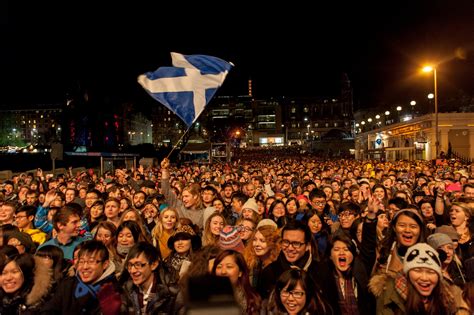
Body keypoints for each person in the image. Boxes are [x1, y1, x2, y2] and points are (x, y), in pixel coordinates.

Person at [374, 243, 470, 314]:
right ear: (407, 273)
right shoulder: (389, 295)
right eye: (418, 270)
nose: (424, 278)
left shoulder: (451, 298)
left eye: (431, 272)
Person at [41, 240, 124, 314]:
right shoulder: (68, 284)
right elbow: (49, 309)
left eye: (91, 261)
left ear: (105, 264)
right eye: (81, 261)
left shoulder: (113, 290)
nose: (85, 267)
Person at [120, 242, 182, 314]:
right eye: (130, 265)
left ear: (154, 265)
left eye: (138, 265)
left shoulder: (172, 293)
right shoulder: (127, 289)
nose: (132, 271)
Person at [212, 250, 261, 314]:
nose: (223, 271)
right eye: (219, 267)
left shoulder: (252, 301)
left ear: (240, 272)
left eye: (229, 267)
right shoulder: (206, 299)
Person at [265, 269, 332, 315]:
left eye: (297, 293)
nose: (290, 298)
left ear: (308, 294)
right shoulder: (269, 311)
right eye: (285, 292)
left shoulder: (320, 312)